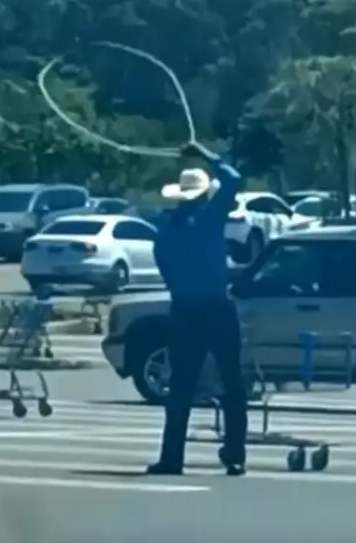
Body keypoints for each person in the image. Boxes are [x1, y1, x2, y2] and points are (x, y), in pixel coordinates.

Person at [146, 141, 249, 477]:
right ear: (204, 195)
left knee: (182, 387)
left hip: (185, 310)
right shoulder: (209, 218)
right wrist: (205, 154)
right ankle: (234, 453)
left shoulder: (165, 230)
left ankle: (171, 457)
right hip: (217, 308)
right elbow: (234, 179)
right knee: (232, 382)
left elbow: (165, 269)